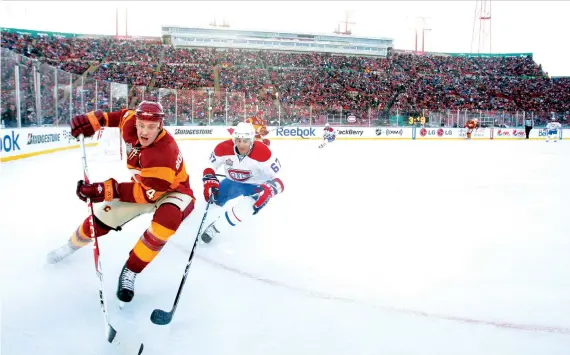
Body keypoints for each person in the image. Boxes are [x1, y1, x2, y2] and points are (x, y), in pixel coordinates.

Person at [46, 101, 196, 304]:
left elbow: (147, 196)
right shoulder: (130, 123)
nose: (144, 131)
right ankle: (71, 245)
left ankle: (131, 270)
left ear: (160, 125)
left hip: (173, 191)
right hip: (143, 187)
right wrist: (94, 121)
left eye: (151, 127)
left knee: (166, 223)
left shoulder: (164, 153)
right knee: (99, 221)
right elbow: (118, 116)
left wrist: (106, 190)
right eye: (141, 125)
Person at [200, 122, 284, 243]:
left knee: (251, 205)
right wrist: (209, 177)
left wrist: (272, 188)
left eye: (245, 141)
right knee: (214, 198)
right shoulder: (223, 148)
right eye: (238, 140)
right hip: (231, 182)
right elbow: (210, 164)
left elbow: (281, 176)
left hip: (255, 186)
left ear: (251, 140)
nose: (241, 144)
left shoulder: (264, 153)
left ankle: (216, 227)